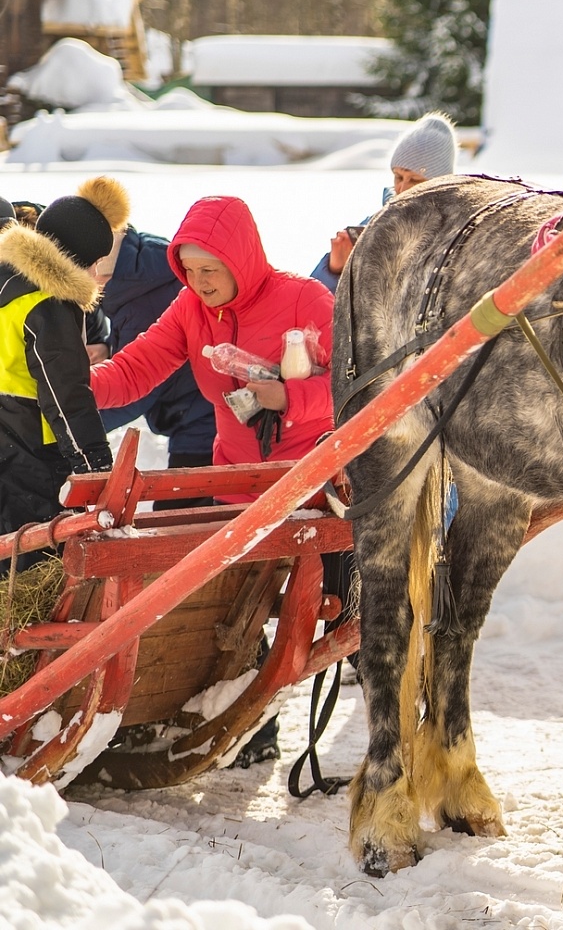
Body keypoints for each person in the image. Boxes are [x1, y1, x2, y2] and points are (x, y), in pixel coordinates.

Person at [91, 196, 335, 766]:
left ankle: (259, 719)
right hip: (233, 478)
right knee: (222, 604)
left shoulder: (306, 299)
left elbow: (358, 384)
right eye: (189, 270)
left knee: (276, 605)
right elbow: (138, 366)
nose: (199, 283)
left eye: (210, 270)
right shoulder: (191, 308)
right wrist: (73, 385)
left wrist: (290, 397)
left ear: (241, 259)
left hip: (304, 481)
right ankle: (217, 710)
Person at [0, 183, 121, 570]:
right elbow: (67, 396)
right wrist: (96, 467)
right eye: (93, 262)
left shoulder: (9, 285)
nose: (96, 274)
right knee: (36, 558)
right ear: (74, 257)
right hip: (35, 451)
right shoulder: (46, 303)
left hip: (7, 441)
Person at [86, 226, 217, 509]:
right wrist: (108, 348)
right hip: (201, 412)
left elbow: (136, 387)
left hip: (202, 423)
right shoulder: (142, 264)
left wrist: (68, 424)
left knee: (178, 520)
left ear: (100, 271)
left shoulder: (140, 300)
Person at [312, 111, 459, 292]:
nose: (402, 189)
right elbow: (315, 298)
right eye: (398, 177)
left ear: (441, 183)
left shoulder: (457, 232)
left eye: (415, 180)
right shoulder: (375, 223)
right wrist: (334, 269)